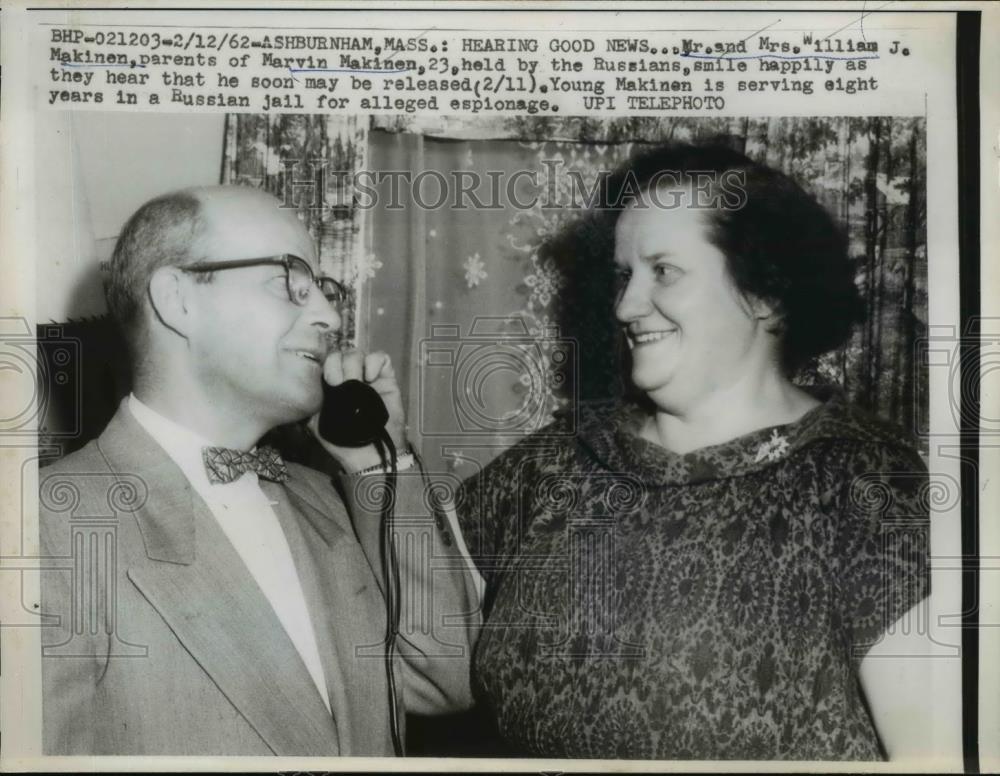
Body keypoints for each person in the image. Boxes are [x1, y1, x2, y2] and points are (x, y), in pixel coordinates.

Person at [454, 143, 932, 760]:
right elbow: (414, 663)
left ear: (765, 292)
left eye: (664, 271)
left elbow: (934, 756)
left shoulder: (869, 481)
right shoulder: (552, 463)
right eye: (625, 275)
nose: (624, 306)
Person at [38, 186, 478, 755]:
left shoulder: (325, 498)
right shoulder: (42, 527)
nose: (329, 315)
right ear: (178, 301)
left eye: (323, 291)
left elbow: (444, 680)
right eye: (289, 282)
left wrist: (378, 462)